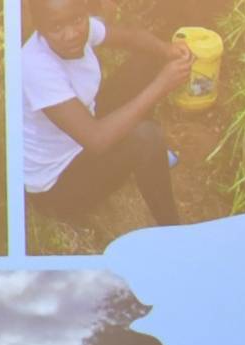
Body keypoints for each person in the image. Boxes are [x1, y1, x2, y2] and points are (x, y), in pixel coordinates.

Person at [23, 0, 193, 227]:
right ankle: (173, 230)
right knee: (146, 137)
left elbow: (132, 38)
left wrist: (168, 50)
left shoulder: (80, 27)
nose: (72, 34)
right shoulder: (35, 67)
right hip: (57, 186)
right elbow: (96, 139)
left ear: (84, 12)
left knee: (150, 58)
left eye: (77, 20)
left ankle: (147, 161)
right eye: (56, 28)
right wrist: (162, 84)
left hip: (83, 129)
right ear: (40, 29)